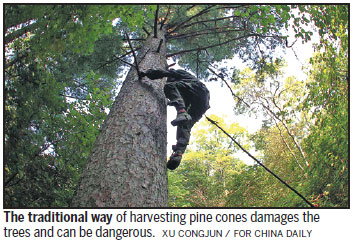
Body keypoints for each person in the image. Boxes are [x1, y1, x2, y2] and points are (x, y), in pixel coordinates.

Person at [140, 68, 210, 170]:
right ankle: (178, 153)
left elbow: (162, 73)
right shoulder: (183, 90)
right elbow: (180, 99)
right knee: (185, 125)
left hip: (199, 89)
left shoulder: (180, 74)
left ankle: (182, 112)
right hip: (202, 102)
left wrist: (147, 73)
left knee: (169, 87)